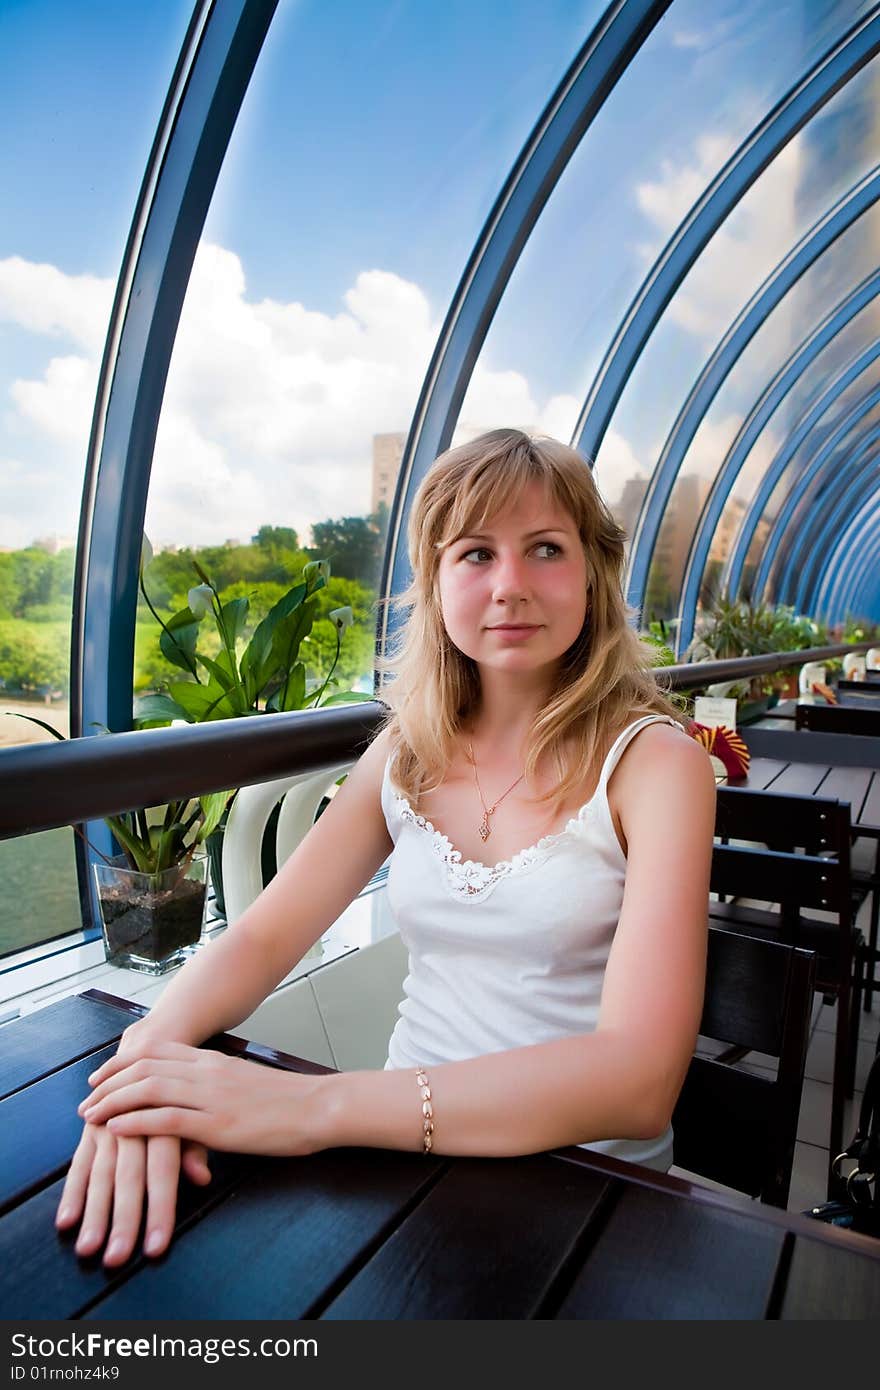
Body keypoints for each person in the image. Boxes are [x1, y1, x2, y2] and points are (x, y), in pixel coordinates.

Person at [56, 427, 716, 1267]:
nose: (510, 586)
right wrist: (138, 1080)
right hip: (403, 1172)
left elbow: (636, 1079)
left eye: (545, 548)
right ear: (435, 584)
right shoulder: (405, 751)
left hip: (589, 1198)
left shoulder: (657, 765)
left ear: (593, 571)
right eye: (475, 554)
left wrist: (310, 1110)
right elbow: (261, 936)